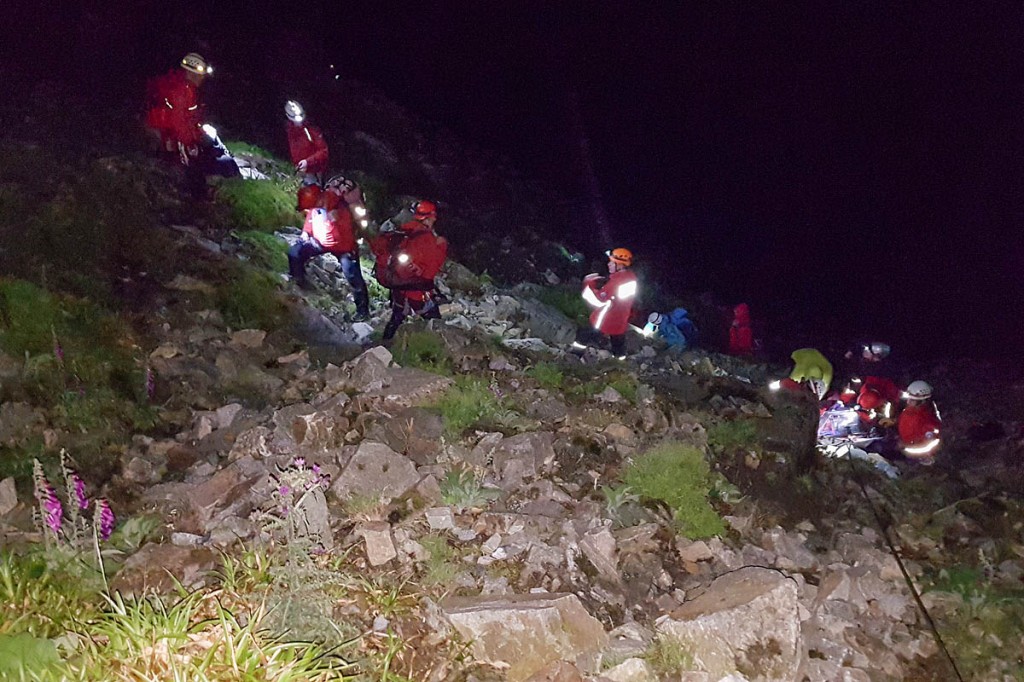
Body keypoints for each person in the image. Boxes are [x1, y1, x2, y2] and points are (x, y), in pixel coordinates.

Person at [288, 184, 370, 319]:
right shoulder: (316, 206)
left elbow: (346, 232)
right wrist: (306, 233)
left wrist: (334, 221)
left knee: (354, 278)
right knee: (294, 252)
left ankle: (363, 312)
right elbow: (310, 219)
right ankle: (298, 281)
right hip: (321, 242)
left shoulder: (339, 205)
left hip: (344, 248)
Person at [370, 200, 448, 341]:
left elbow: (378, 248)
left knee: (398, 315)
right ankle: (437, 346)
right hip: (415, 290)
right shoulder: (426, 239)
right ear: (430, 218)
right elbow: (430, 270)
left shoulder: (404, 230)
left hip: (398, 286)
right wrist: (441, 247)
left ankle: (384, 343)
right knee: (434, 318)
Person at [145, 53, 211, 162]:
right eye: (200, 75)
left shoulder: (188, 88)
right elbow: (178, 120)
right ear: (190, 73)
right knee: (178, 163)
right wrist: (190, 141)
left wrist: (198, 133)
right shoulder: (181, 90)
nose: (202, 78)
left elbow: (190, 117)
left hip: (166, 130)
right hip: (164, 132)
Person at [579, 248, 639, 358]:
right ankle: (620, 360)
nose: (608, 264)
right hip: (621, 320)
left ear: (620, 265)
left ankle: (575, 352)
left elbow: (598, 301)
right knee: (618, 343)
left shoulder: (616, 282)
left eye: (612, 262)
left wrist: (588, 284)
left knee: (584, 338)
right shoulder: (631, 278)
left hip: (605, 320)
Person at [284, 100, 329, 187]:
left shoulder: (311, 130)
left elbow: (323, 152)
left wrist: (307, 162)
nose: (298, 122)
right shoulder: (289, 130)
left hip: (314, 171)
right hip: (299, 170)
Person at [898, 380, 942, 464]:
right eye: (908, 398)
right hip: (902, 445)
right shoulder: (910, 410)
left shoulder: (928, 420)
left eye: (912, 400)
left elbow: (929, 446)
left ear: (922, 401)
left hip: (914, 456)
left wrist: (906, 447)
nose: (908, 402)